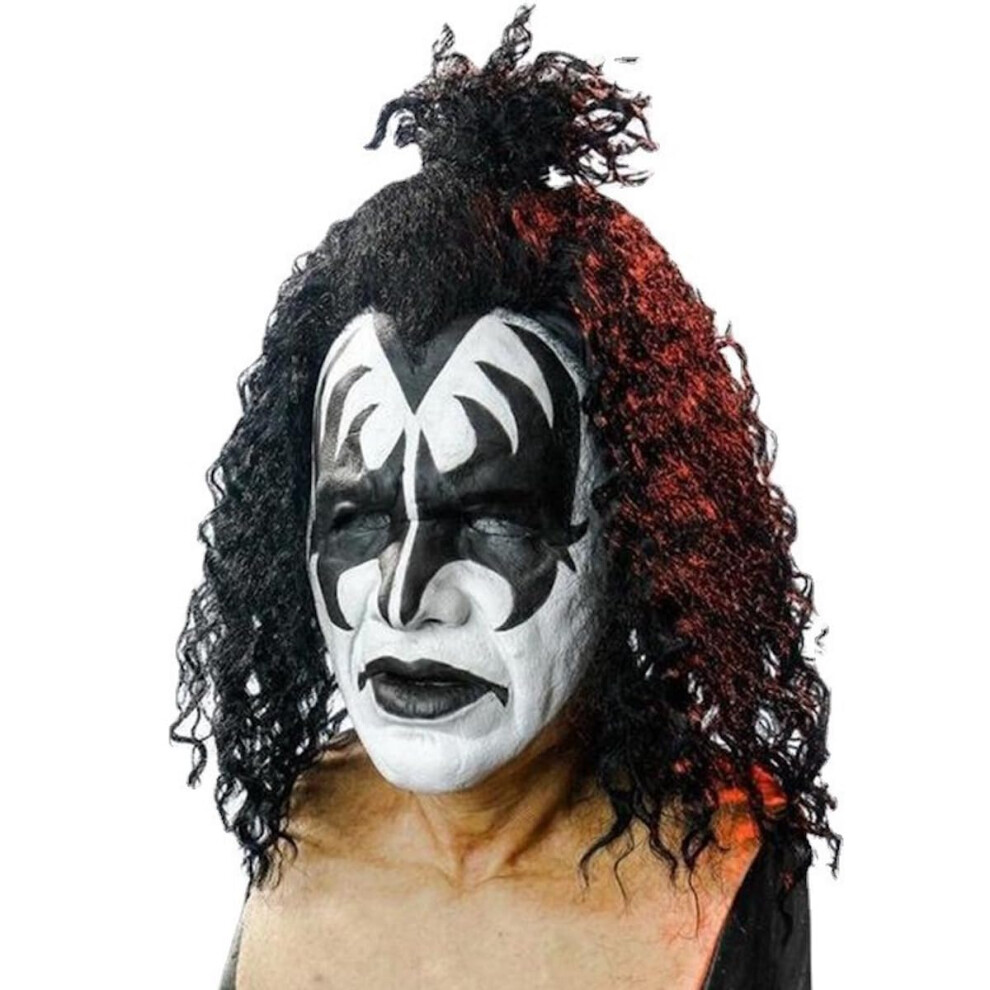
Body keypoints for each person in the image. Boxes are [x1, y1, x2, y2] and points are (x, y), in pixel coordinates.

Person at [172, 9, 838, 988]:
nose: (405, 600)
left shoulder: (728, 865)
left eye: (489, 518)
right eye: (358, 518)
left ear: (640, 534)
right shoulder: (297, 834)